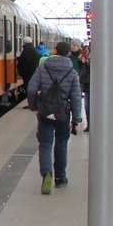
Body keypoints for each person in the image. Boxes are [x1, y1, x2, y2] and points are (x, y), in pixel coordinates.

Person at [27, 40, 83, 195]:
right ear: (68, 53)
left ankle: (46, 173)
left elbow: (31, 89)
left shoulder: (43, 68)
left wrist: (34, 107)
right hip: (63, 113)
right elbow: (76, 97)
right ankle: (60, 178)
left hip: (45, 112)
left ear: (55, 51)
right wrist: (76, 119)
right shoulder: (72, 73)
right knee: (61, 145)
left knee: (45, 144)